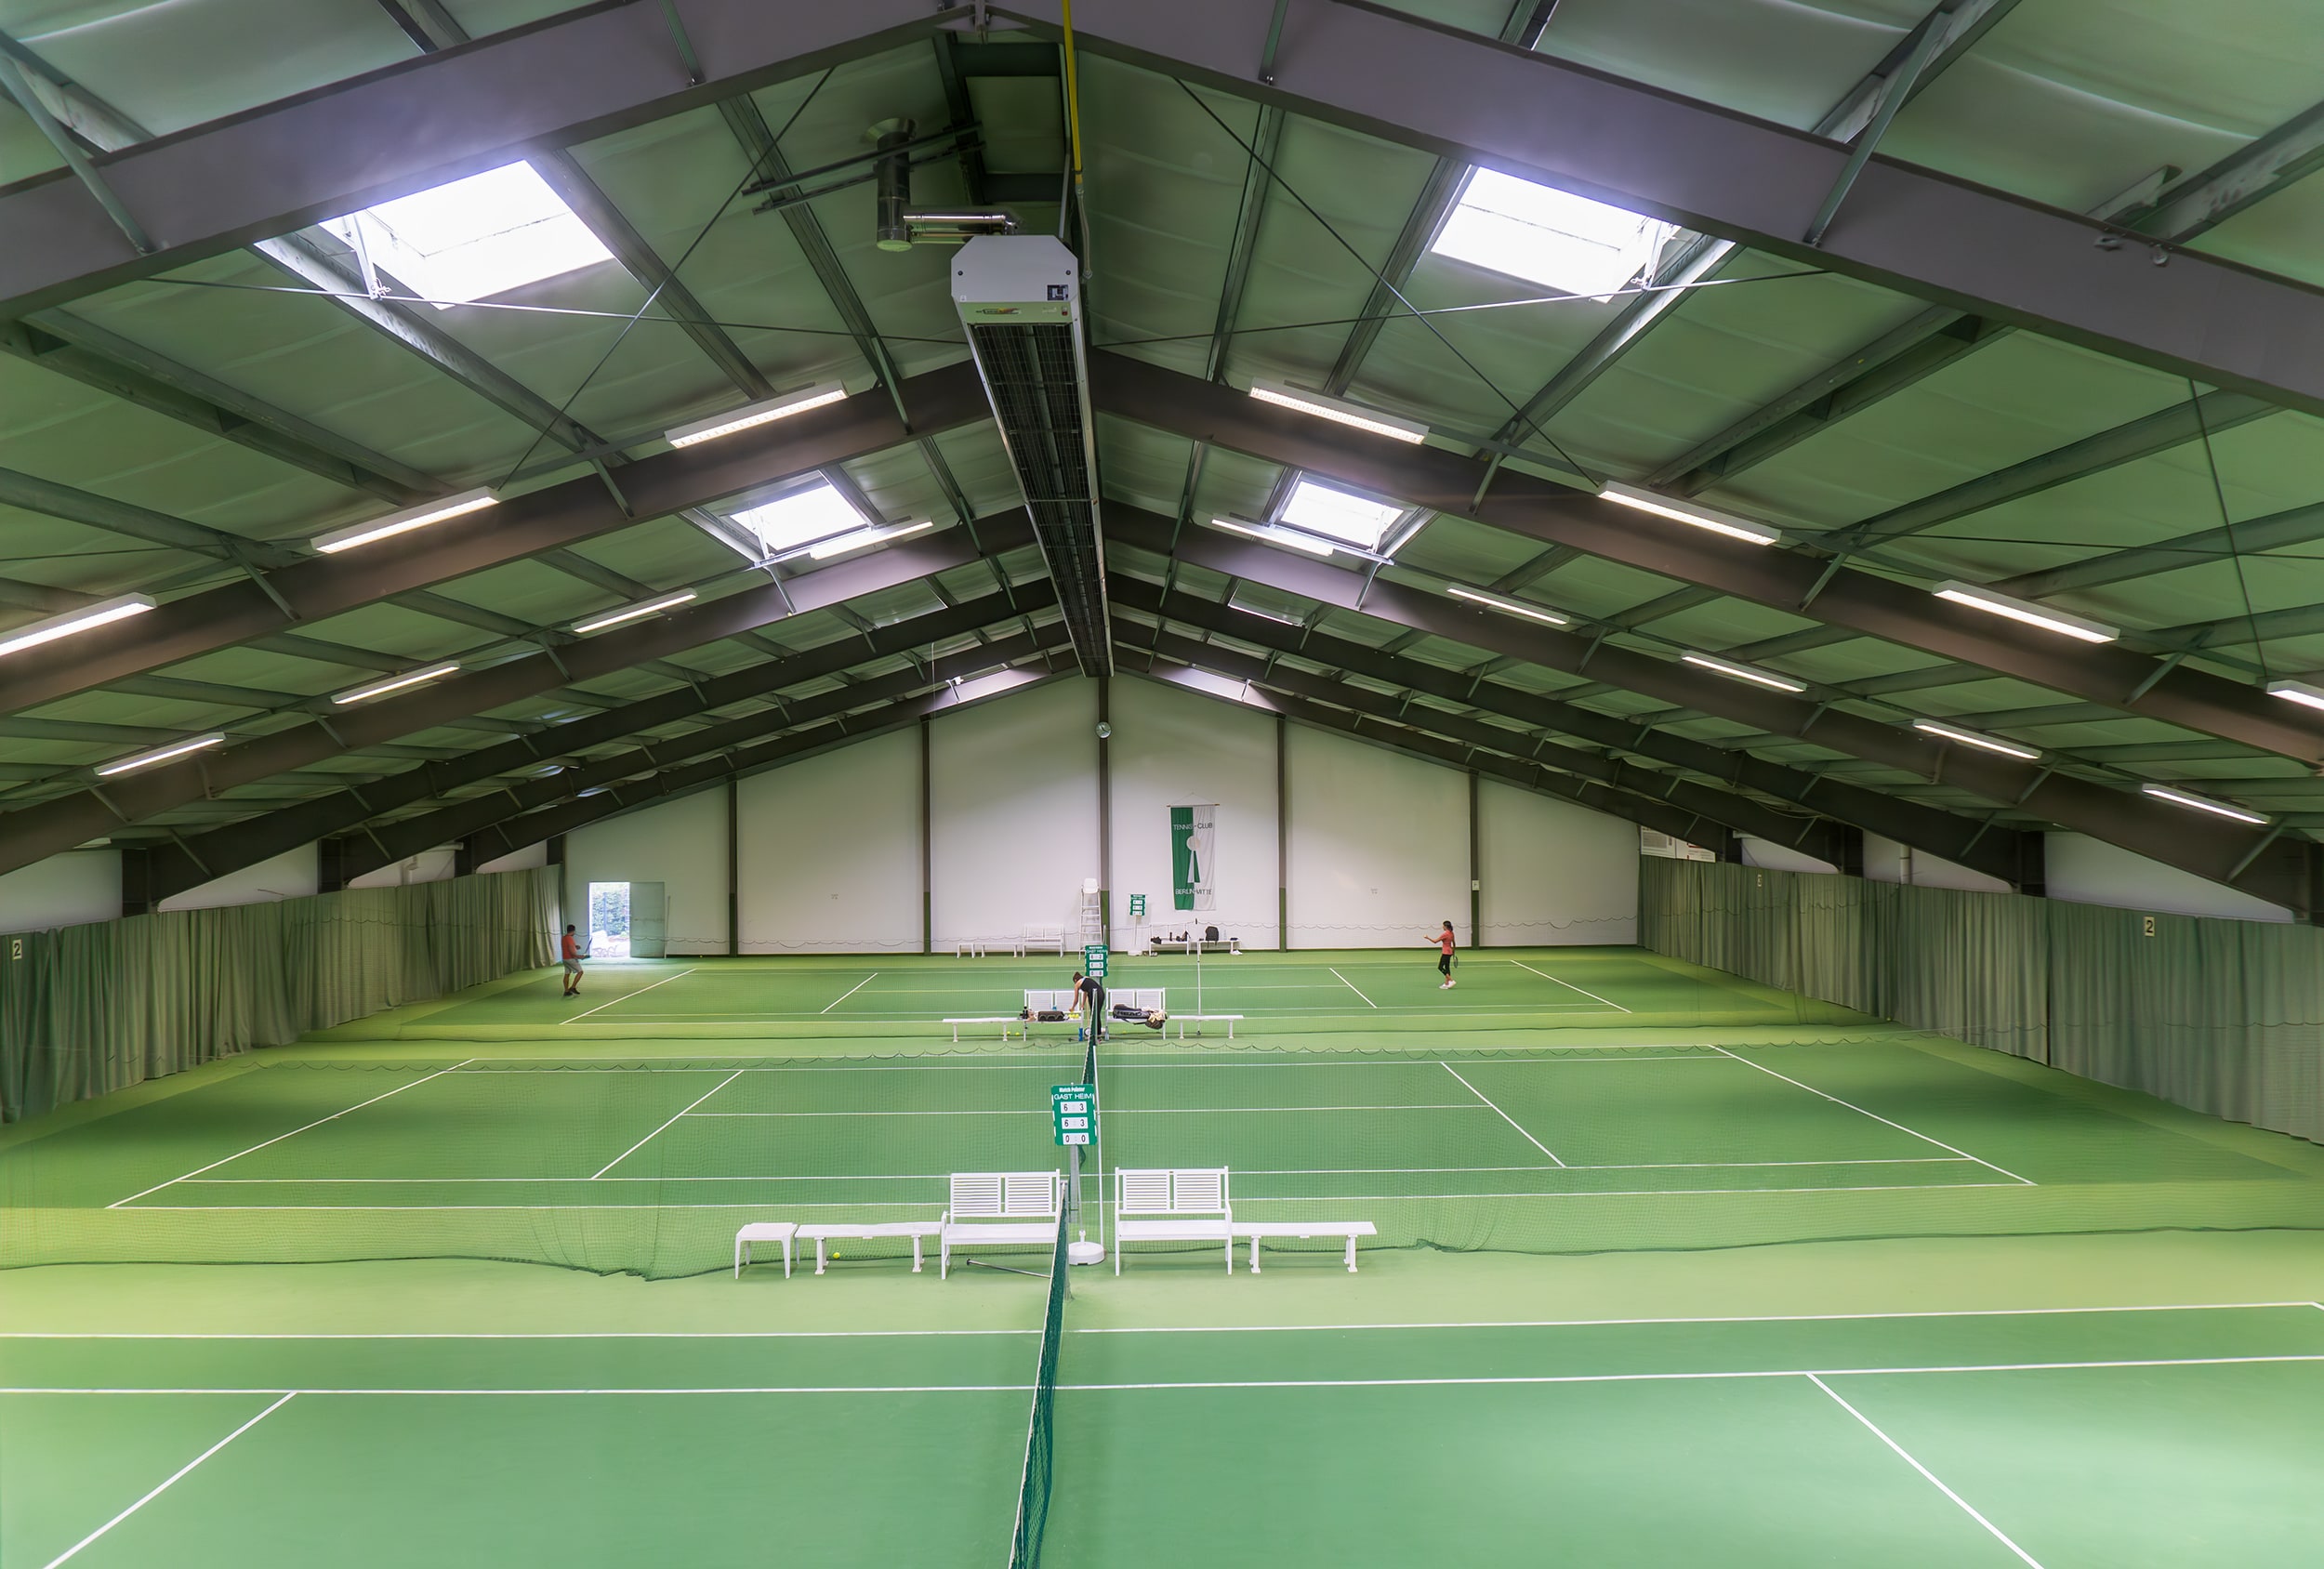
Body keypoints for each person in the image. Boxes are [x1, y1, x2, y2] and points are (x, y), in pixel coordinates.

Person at [1072, 968, 1107, 1040]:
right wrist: (1083, 1004)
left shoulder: (1077, 984)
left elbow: (1076, 999)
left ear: (1075, 980)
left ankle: (1095, 1035)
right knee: (1096, 1014)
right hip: (1101, 992)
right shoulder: (1086, 978)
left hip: (1094, 993)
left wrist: (1072, 1007)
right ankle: (1098, 1034)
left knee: (1094, 1014)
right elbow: (1085, 992)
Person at [1431, 921, 1457, 989]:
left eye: (1443, 926)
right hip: (1450, 952)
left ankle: (1451, 980)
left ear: (1445, 926)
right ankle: (1446, 984)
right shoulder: (1452, 933)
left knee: (1440, 967)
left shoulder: (1445, 934)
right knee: (1447, 967)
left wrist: (1427, 937)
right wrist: (1453, 951)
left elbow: (1435, 941)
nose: (1442, 927)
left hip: (1445, 953)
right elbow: (1454, 943)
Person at [561, 924, 585, 997]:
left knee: (567, 974)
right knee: (580, 972)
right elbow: (571, 950)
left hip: (565, 959)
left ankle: (566, 991)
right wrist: (578, 956)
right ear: (574, 931)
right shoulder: (570, 938)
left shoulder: (564, 938)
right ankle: (573, 987)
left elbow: (568, 947)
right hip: (570, 959)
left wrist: (575, 947)